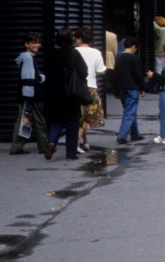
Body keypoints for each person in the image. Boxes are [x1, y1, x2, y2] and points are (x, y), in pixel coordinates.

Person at [44, 28, 86, 161]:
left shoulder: (51, 54)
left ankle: (51, 142)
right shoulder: (74, 54)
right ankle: (70, 153)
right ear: (70, 39)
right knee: (72, 122)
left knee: (57, 120)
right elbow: (83, 71)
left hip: (54, 93)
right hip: (71, 93)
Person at [11, 32, 49, 155]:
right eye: (34, 42)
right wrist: (30, 95)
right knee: (39, 121)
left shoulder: (27, 57)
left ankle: (17, 146)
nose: (37, 44)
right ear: (26, 44)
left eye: (38, 42)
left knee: (23, 119)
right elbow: (28, 77)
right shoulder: (28, 58)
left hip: (27, 94)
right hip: (32, 94)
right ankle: (43, 146)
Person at [75, 27, 106, 154]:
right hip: (90, 87)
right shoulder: (96, 52)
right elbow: (101, 70)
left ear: (80, 39)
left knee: (80, 116)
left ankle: (85, 142)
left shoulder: (73, 51)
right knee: (87, 116)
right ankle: (75, 143)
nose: (75, 40)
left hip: (74, 88)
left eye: (76, 38)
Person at [113, 38, 145, 144]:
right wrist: (142, 88)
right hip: (132, 87)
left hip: (121, 88)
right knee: (130, 111)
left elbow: (115, 75)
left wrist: (116, 91)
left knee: (130, 110)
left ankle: (135, 134)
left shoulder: (118, 58)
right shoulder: (134, 58)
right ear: (133, 47)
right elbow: (138, 75)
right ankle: (122, 136)